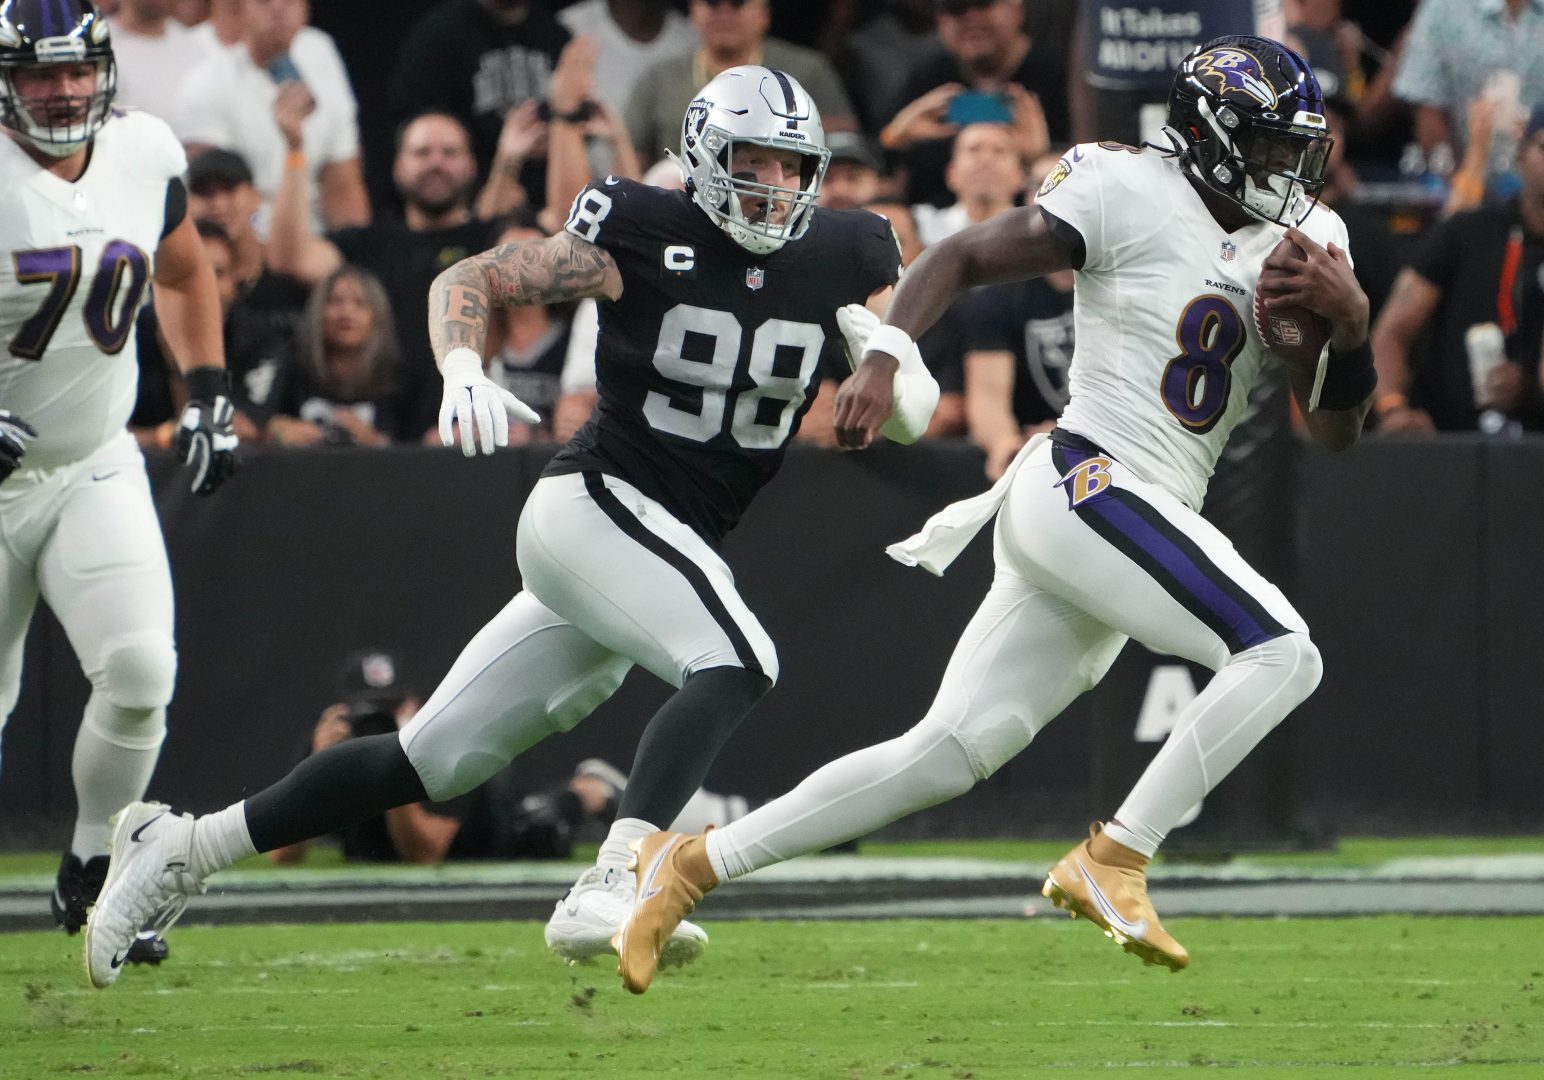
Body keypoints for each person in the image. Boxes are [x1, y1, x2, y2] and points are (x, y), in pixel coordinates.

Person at [82, 65, 937, 988]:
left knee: (431, 761)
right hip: (594, 505)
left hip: (655, 548)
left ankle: (182, 846)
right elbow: (477, 276)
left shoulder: (848, 250)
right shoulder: (639, 224)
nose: (772, 187)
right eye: (753, 162)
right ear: (702, 155)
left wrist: (887, 369)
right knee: (737, 661)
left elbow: (906, 404)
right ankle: (622, 876)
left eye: (790, 167)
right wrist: (459, 367)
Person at [611, 35, 1376, 994]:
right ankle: (1117, 857)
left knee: (944, 752)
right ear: (1210, 136)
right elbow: (966, 255)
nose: (1286, 171)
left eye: (1295, 150)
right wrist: (886, 352)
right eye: (1267, 147)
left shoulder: (1315, 247)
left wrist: (1352, 330)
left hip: (1128, 519)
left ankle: (687, 866)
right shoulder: (1127, 188)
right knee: (1281, 650)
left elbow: (1339, 430)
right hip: (1084, 482)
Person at [0, 0, 237, 967]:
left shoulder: (144, 152)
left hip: (95, 459)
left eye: (73, 71)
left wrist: (208, 393)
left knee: (142, 671)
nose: (59, 91)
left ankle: (97, 869)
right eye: (35, 74)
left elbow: (183, 274)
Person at [1370, 107, 1544, 435]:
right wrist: (1393, 409)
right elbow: (1391, 334)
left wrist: (1530, 386)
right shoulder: (1467, 232)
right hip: (1450, 444)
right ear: (1521, 154)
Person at [177, 0, 369, 231]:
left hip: (316, 239)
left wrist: (356, 252)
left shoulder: (320, 52)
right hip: (248, 236)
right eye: (264, 1)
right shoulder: (206, 81)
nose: (278, 7)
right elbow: (212, 201)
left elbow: (343, 183)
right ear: (241, 10)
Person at [626, 0, 856, 167]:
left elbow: (844, 147)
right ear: (693, 13)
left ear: (764, 15)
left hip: (778, 199)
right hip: (681, 205)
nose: (724, 12)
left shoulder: (806, 71)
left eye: (738, 3)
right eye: (712, 3)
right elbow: (632, 157)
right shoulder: (659, 78)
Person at [880, 0, 1058, 208]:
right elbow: (879, 178)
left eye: (983, 4)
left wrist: (1040, 158)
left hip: (1032, 218)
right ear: (940, 20)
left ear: (1017, 8)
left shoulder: (1055, 76)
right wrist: (895, 138)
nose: (972, 19)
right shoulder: (928, 78)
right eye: (957, 9)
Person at [264, 267, 404, 447]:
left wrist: (375, 441)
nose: (346, 313)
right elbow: (263, 422)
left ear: (377, 316)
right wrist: (280, 430)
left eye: (360, 303)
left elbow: (418, 444)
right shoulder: (292, 369)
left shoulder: (399, 380)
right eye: (335, 302)